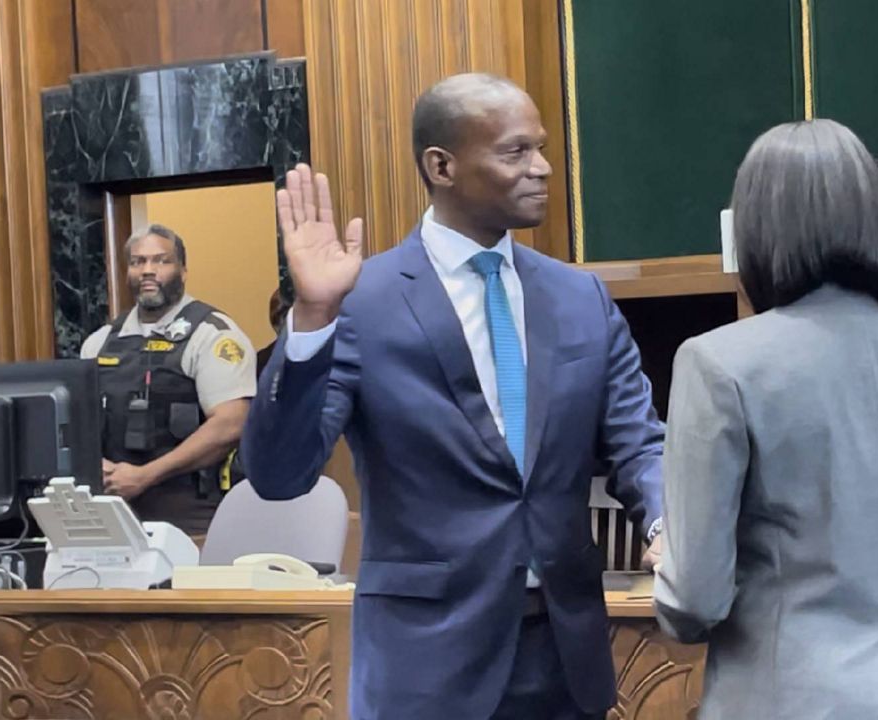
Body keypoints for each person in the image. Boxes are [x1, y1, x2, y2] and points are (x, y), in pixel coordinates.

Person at [241, 73, 665, 720]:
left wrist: (666, 521)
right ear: (442, 165)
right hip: (424, 669)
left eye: (542, 148)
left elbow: (638, 440)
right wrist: (312, 318)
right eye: (516, 152)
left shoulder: (580, 298)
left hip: (564, 659)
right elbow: (278, 475)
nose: (544, 169)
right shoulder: (362, 302)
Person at [653, 119, 878, 719]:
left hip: (785, 698)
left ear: (756, 231)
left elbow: (696, 600)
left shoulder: (717, 363)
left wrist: (670, 567)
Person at [80, 224, 257, 536]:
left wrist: (146, 475)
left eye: (161, 261)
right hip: (115, 514)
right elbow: (76, 421)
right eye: (137, 262)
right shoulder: (101, 341)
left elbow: (231, 424)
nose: (148, 270)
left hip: (192, 517)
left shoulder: (212, 335)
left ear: (183, 270)